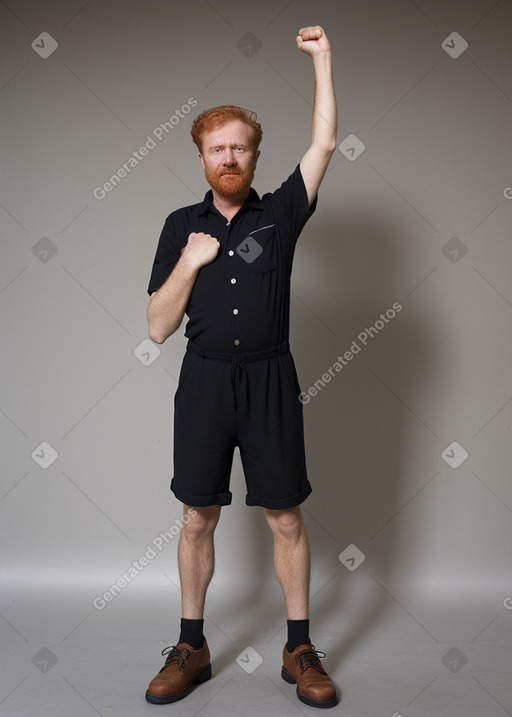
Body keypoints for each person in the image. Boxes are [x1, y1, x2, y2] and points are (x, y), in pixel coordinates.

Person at [145, 25, 338, 709]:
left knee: (285, 517)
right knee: (197, 517)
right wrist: (190, 263)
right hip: (202, 382)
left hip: (269, 380)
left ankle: (299, 646)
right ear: (201, 156)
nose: (228, 156)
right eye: (216, 147)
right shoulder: (179, 225)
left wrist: (321, 60)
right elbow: (158, 325)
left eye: (239, 146)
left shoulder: (281, 213)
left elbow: (324, 144)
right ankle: (190, 643)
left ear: (255, 155)